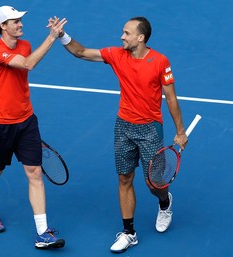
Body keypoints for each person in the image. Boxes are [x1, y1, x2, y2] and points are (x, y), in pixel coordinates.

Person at [56, 17, 188, 253]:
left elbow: (171, 98)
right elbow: (83, 52)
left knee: (153, 183)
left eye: (126, 33)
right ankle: (129, 232)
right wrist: (62, 35)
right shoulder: (117, 55)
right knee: (124, 178)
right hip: (123, 126)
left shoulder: (160, 61)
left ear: (141, 38)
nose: (122, 37)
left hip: (150, 128)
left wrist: (180, 131)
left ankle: (164, 202)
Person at [0, 6, 67, 249]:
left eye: (20, 20)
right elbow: (28, 65)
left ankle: (43, 233)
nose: (20, 24)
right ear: (3, 27)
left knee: (35, 173)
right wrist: (52, 37)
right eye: (15, 21)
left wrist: (54, 37)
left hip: (26, 121)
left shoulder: (25, 44)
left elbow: (28, 59)